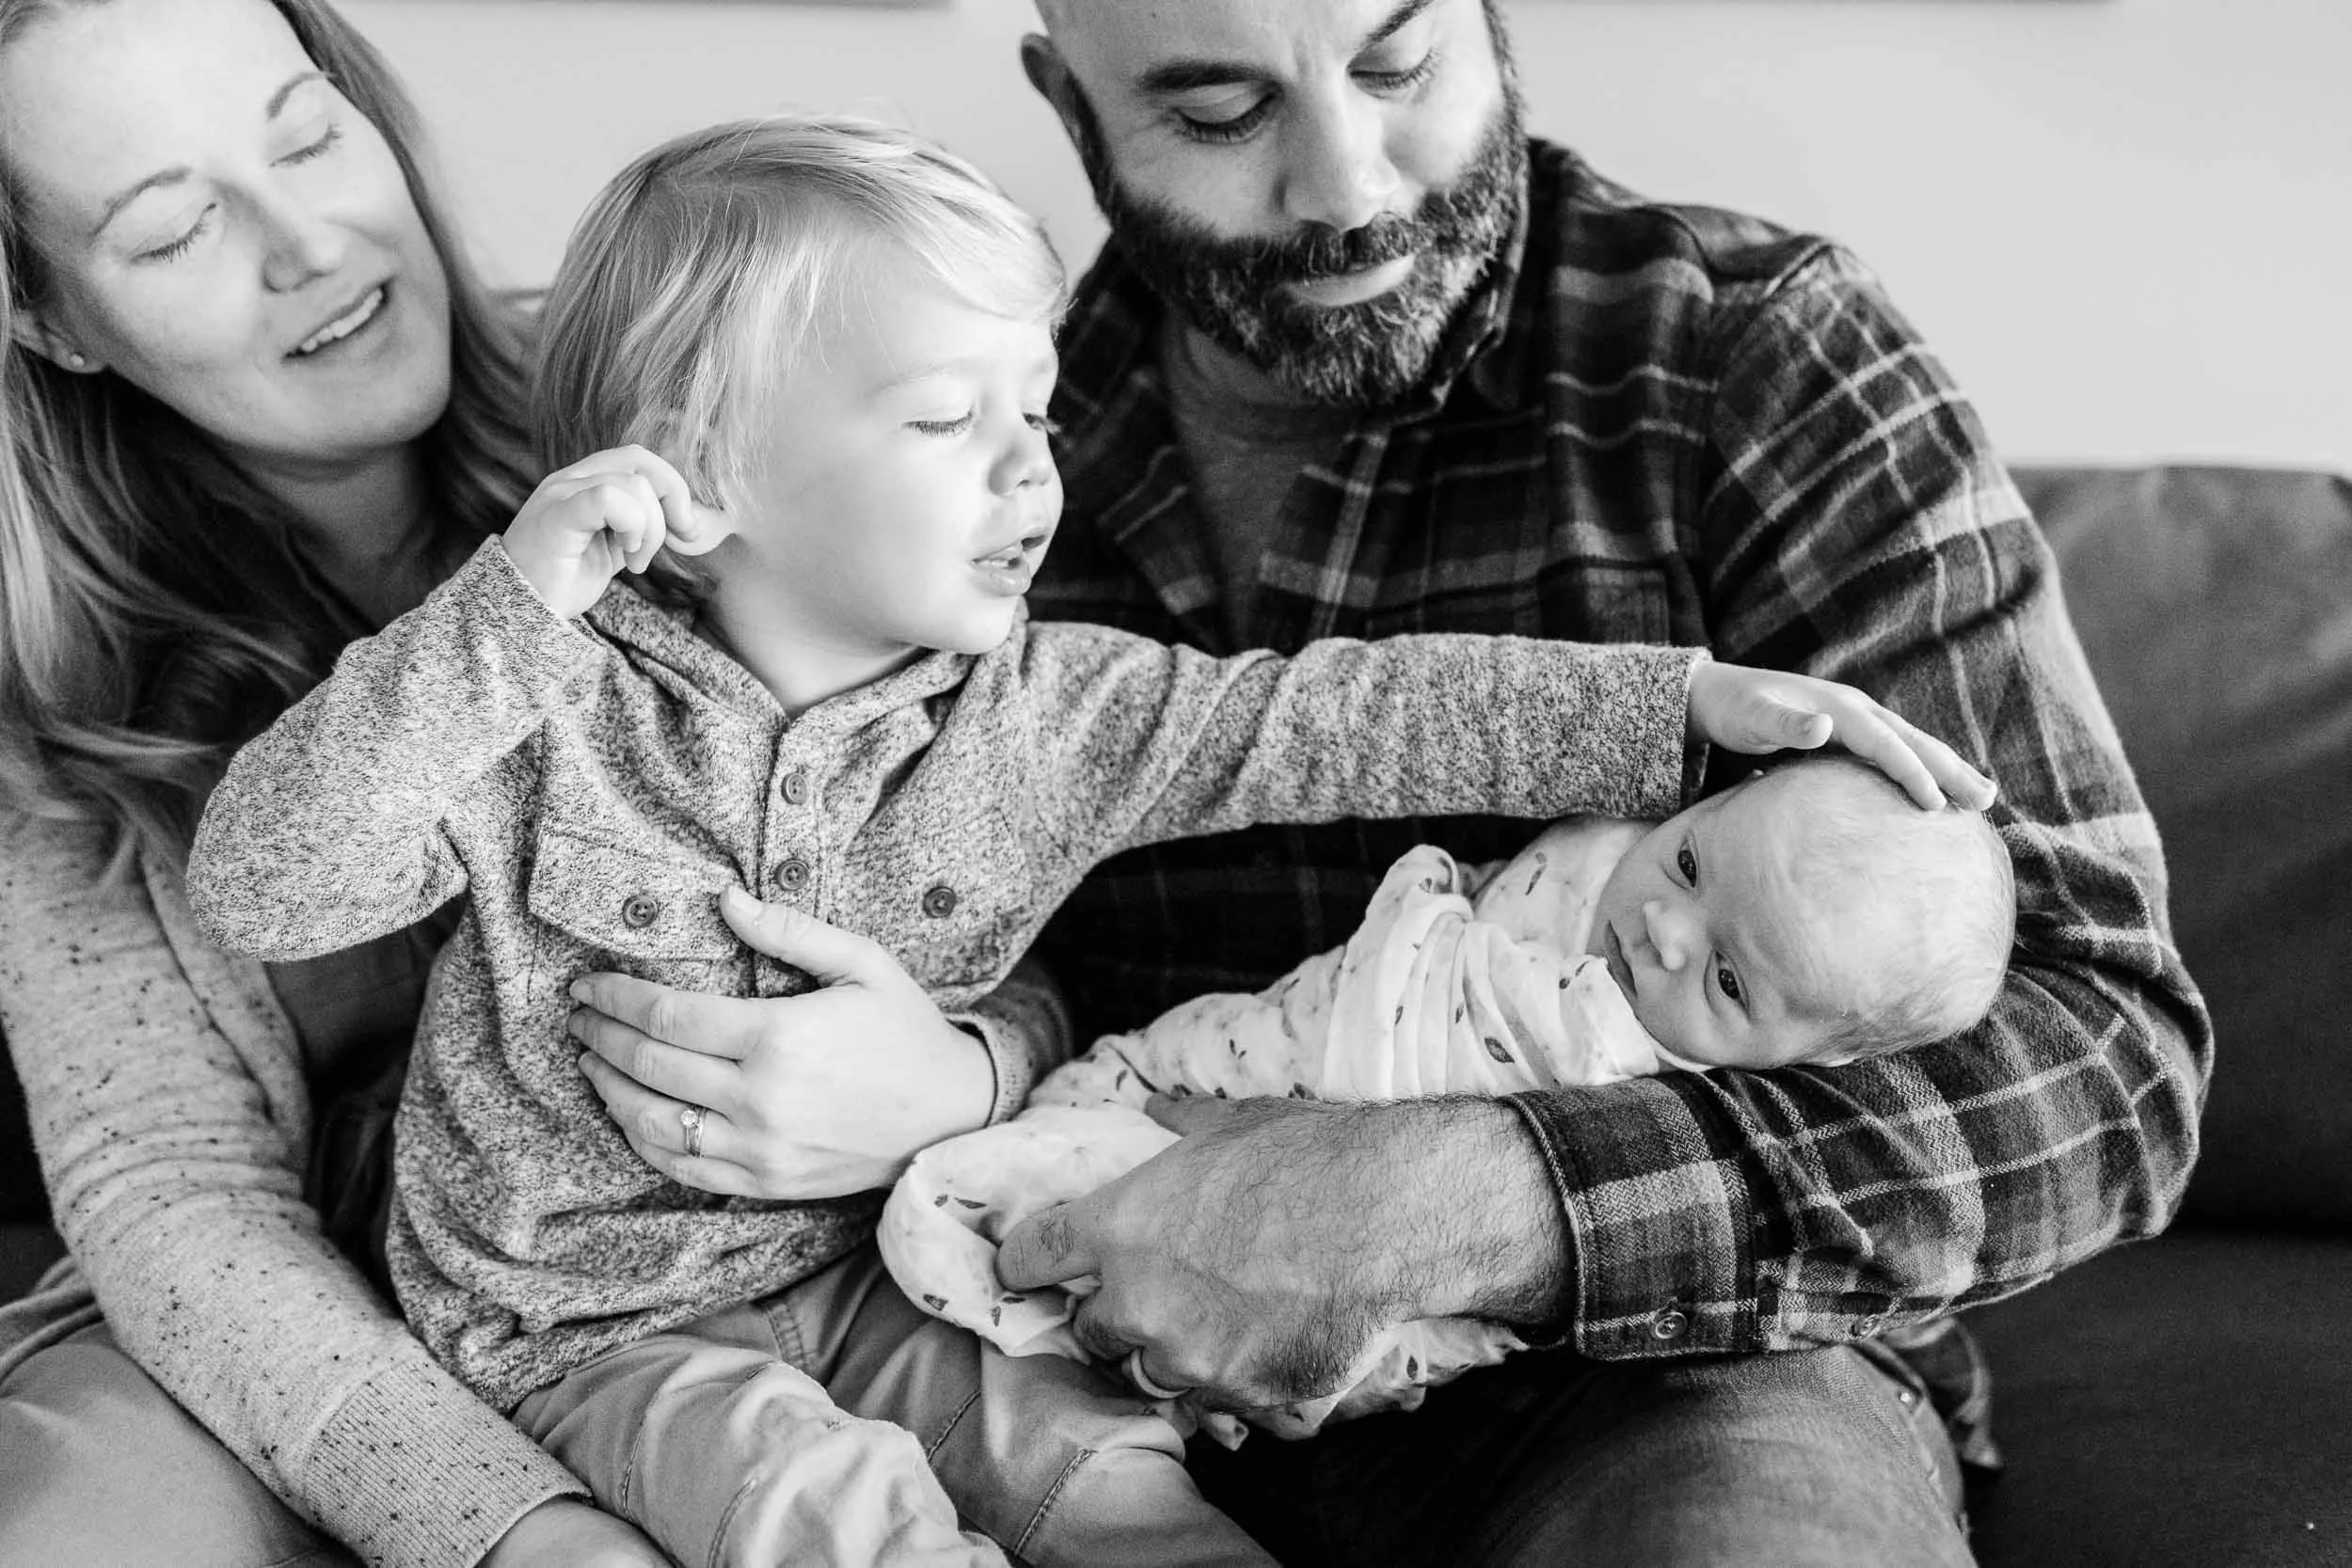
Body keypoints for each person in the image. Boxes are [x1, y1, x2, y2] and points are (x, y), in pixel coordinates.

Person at [183, 114, 1991, 1568]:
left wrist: (1674, 708)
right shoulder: (535, 702)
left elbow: (1343, 716)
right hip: (585, 1334)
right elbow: (266, 882)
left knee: (1107, 1475)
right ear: (700, 479)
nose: (1034, 474)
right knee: (828, 1516)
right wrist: (501, 617)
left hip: (899, 1255)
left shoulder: (1061, 707)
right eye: (951, 423)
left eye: (1034, 410)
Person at [945, 0, 2208, 1562]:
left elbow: (2103, 1058)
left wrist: (1481, 1200)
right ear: (1070, 108)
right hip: (1061, 1319)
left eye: (1397, 65)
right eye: (1219, 116)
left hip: (1653, 1374)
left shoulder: (1747, 347)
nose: (1346, 184)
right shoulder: (956, 431)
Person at [0, 6, 1041, 1566]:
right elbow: (179, 1209)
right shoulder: (63, 728)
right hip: (277, 1339)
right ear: (54, 319)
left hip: (741, 1267)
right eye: (175, 231)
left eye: (304, 132)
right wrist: (509, 1526)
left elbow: (1035, 827)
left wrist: (968, 1069)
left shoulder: (706, 420)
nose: (312, 246)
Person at [884, 752, 2019, 1454]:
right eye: (1687, 864)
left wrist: (1392, 1242)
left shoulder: (1664, 1078)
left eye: (1727, 979)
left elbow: (2126, 1072)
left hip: (1532, 1334)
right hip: (1233, 1053)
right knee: (1085, 1134)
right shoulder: (1593, 861)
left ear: (1812, 1062)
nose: (1663, 930)